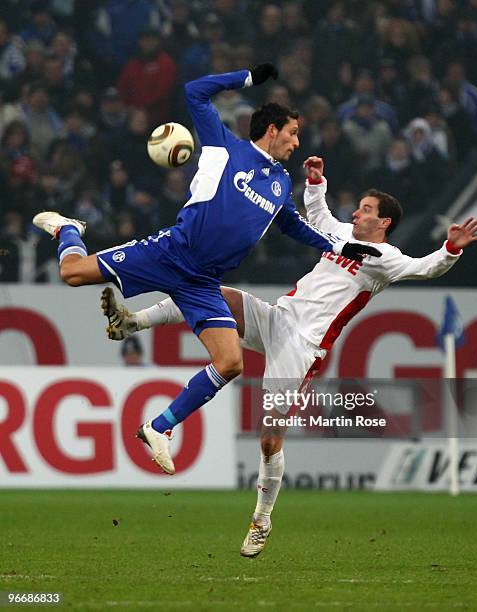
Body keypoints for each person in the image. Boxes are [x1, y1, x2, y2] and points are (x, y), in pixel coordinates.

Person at [99, 156, 477, 557]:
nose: (357, 212)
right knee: (213, 292)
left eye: (367, 210)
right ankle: (132, 323)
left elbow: (425, 268)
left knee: (269, 441)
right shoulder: (341, 233)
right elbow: (318, 216)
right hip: (277, 318)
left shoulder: (388, 260)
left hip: (302, 348)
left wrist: (450, 250)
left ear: (384, 222)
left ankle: (262, 519)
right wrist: (316, 182)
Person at [33, 65, 378, 476]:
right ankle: (68, 229)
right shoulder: (222, 144)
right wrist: (248, 77)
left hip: (203, 281)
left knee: (231, 362)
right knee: (71, 273)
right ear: (271, 131)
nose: (296, 142)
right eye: (292, 134)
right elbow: (195, 91)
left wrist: (340, 245)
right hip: (171, 253)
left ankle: (159, 427)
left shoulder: (281, 183)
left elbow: (292, 225)